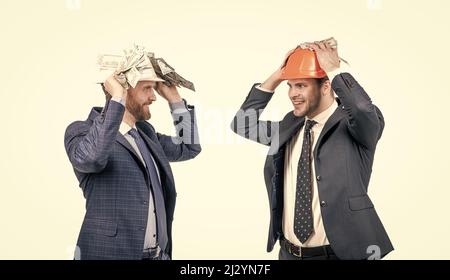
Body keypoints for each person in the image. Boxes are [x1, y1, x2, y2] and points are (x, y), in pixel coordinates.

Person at [230, 40, 393, 260]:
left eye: (301, 85)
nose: (291, 94)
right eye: (290, 85)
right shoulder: (290, 125)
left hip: (339, 256)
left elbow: (362, 108)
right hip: (289, 254)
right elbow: (242, 124)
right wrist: (279, 75)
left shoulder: (357, 128)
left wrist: (335, 71)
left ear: (326, 86)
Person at [64, 49, 201, 260]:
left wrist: (174, 99)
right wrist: (116, 98)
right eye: (147, 88)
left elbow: (188, 147)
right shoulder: (81, 131)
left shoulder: (146, 133)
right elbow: (91, 158)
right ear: (124, 89)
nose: (153, 97)